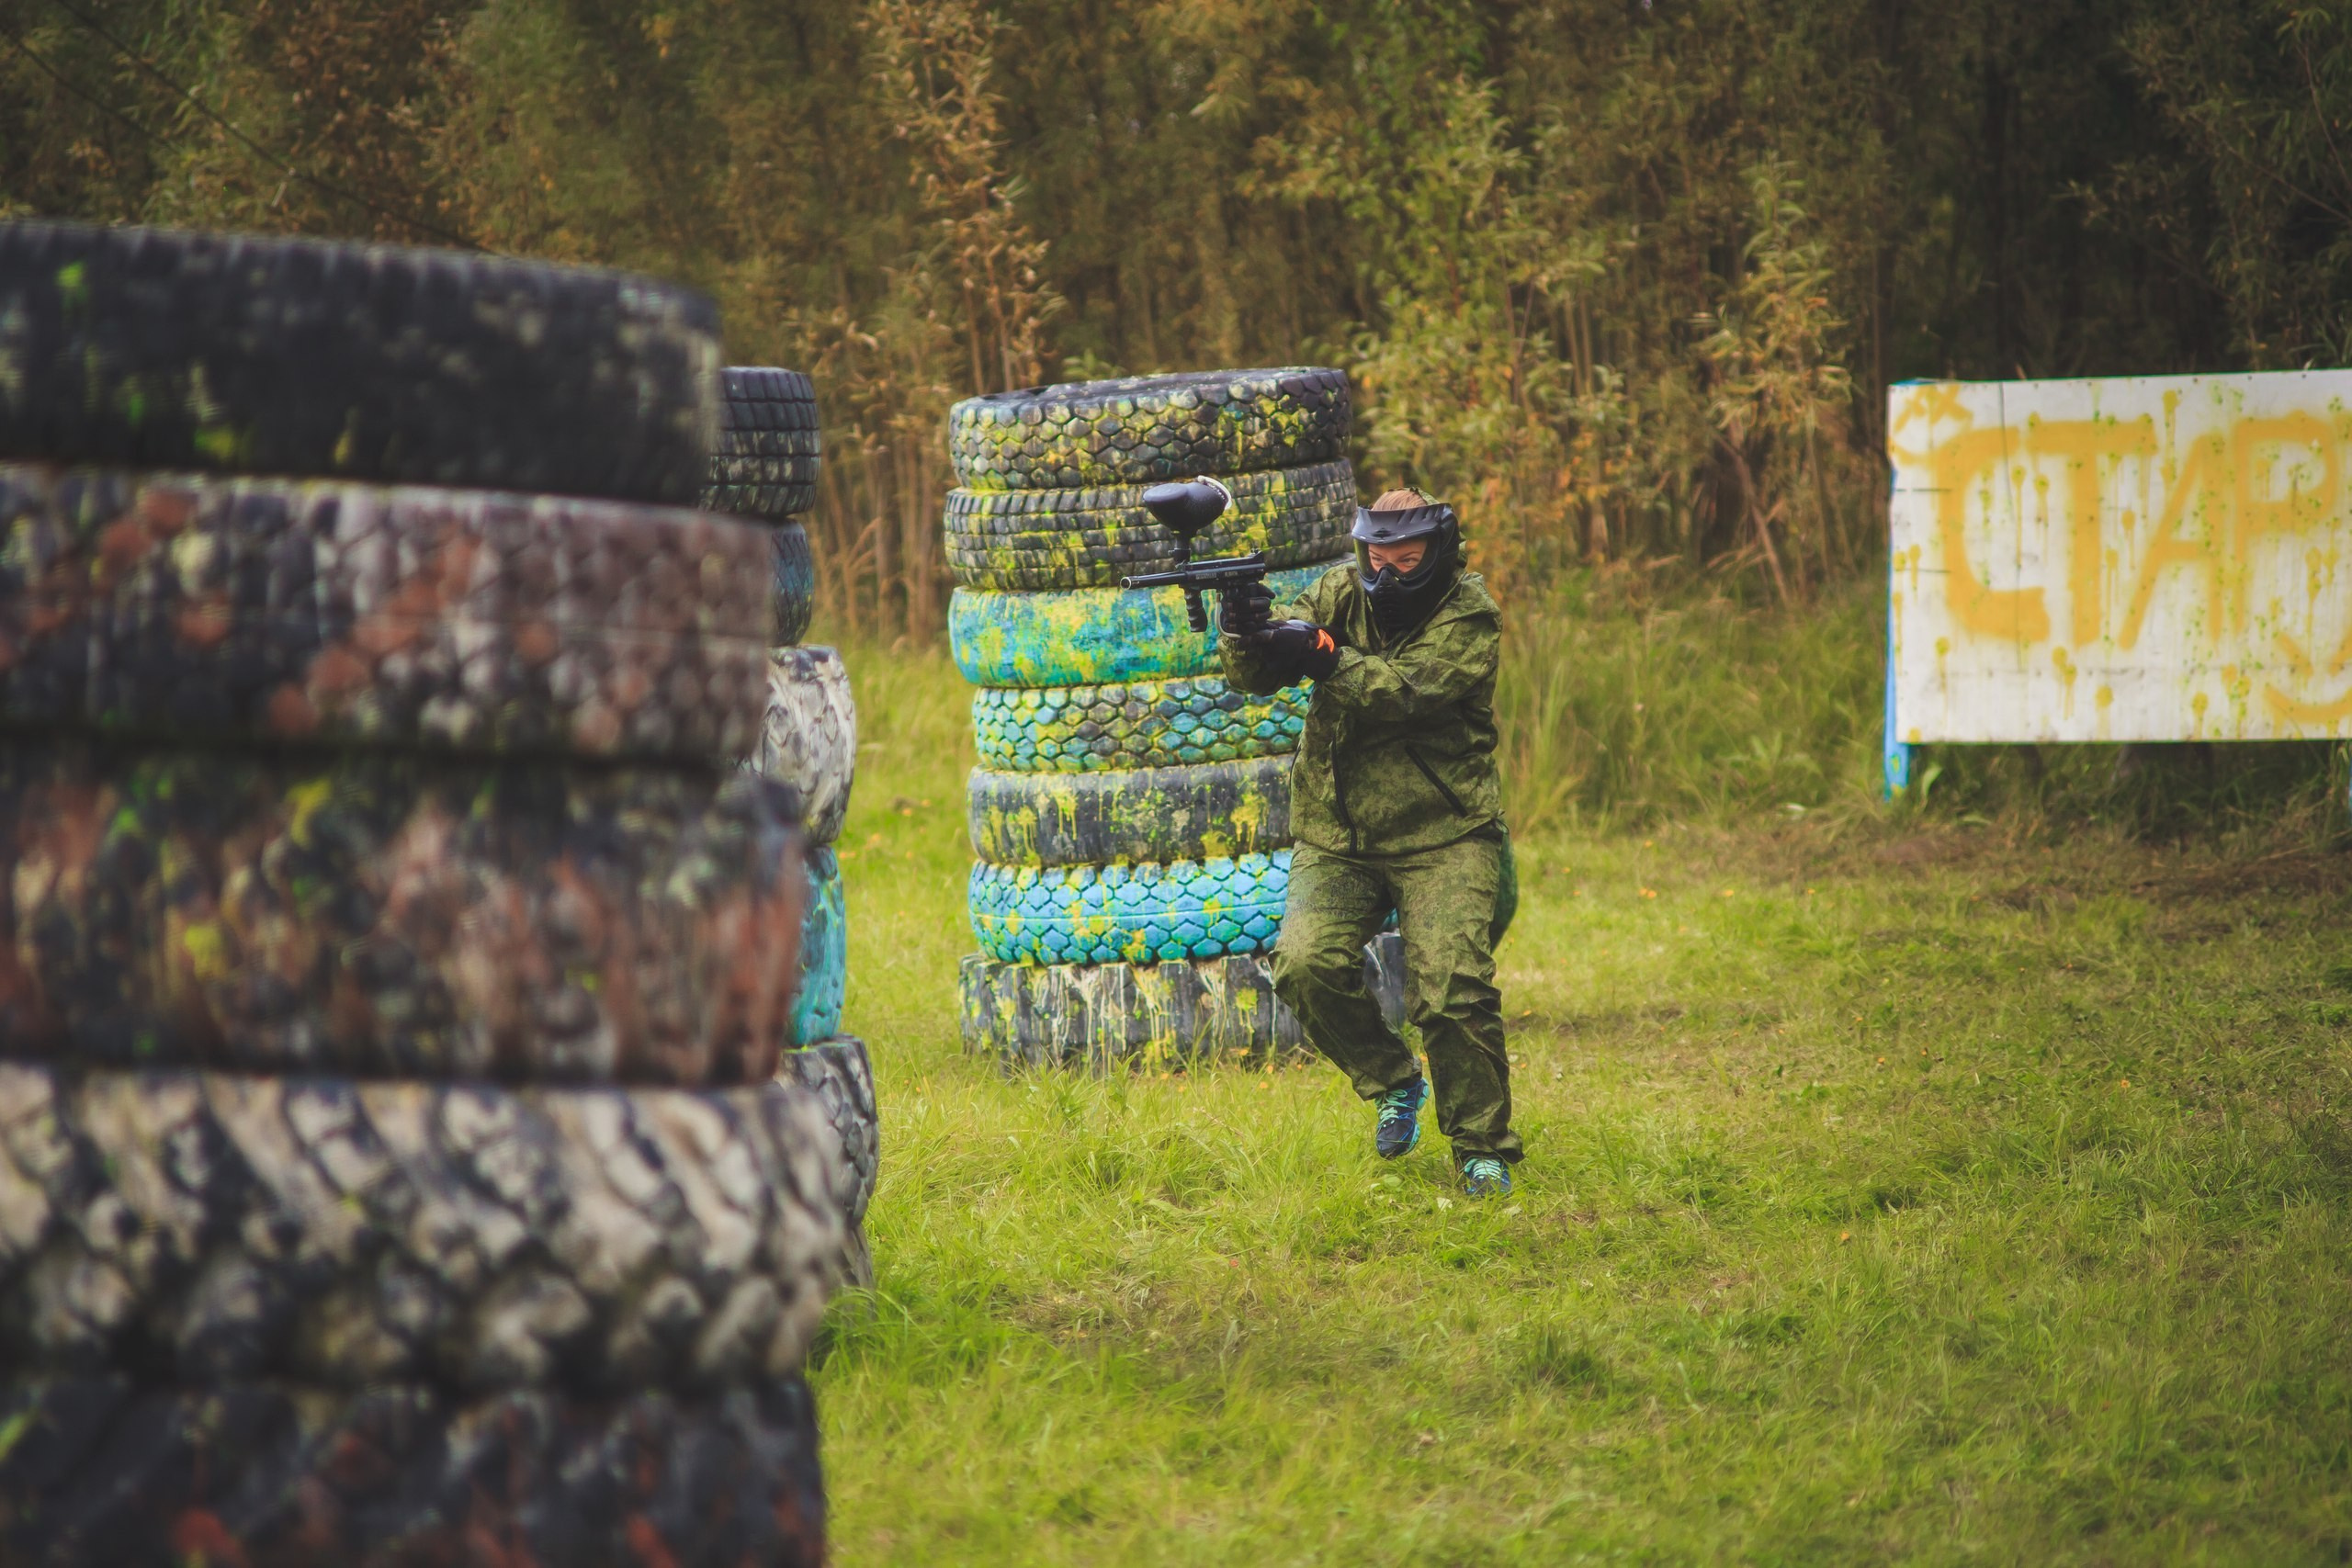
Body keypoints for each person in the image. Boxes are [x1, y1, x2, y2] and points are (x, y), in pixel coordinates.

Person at [1218, 488, 1522, 1196]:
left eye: (1405, 562)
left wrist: (1322, 656)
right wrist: (1249, 633)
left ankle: (1482, 1149)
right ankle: (1393, 1080)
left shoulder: (1470, 615)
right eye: (1375, 560)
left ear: (1437, 557)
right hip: (1338, 832)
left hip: (1443, 832)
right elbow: (1259, 672)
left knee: (1451, 990)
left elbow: (1404, 691)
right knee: (1302, 964)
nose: (1384, 577)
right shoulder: (1339, 591)